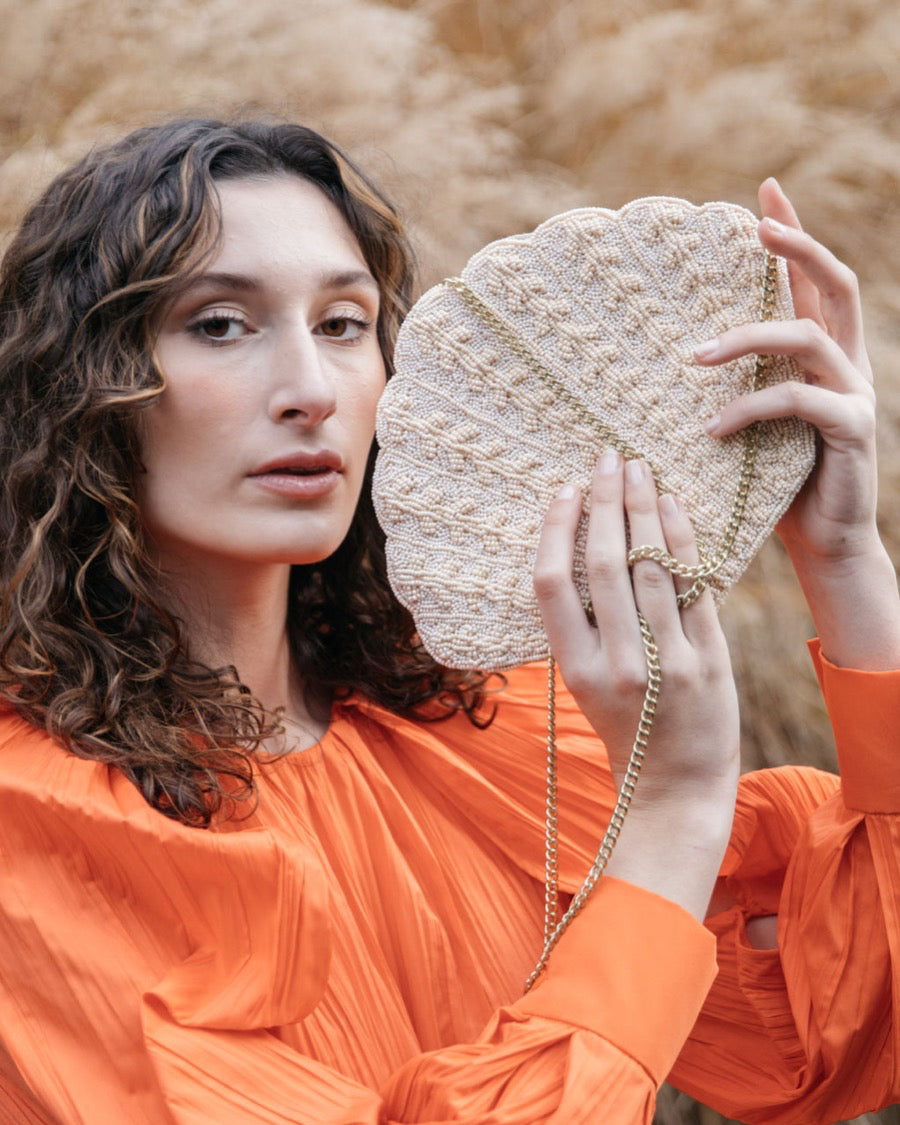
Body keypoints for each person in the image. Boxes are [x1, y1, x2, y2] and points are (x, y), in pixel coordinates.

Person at [0, 118, 896, 1125]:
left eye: (343, 324)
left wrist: (845, 564)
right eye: (219, 323)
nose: (310, 393)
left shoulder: (477, 723)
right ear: (85, 387)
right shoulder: (34, 827)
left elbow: (833, 1028)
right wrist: (674, 811)